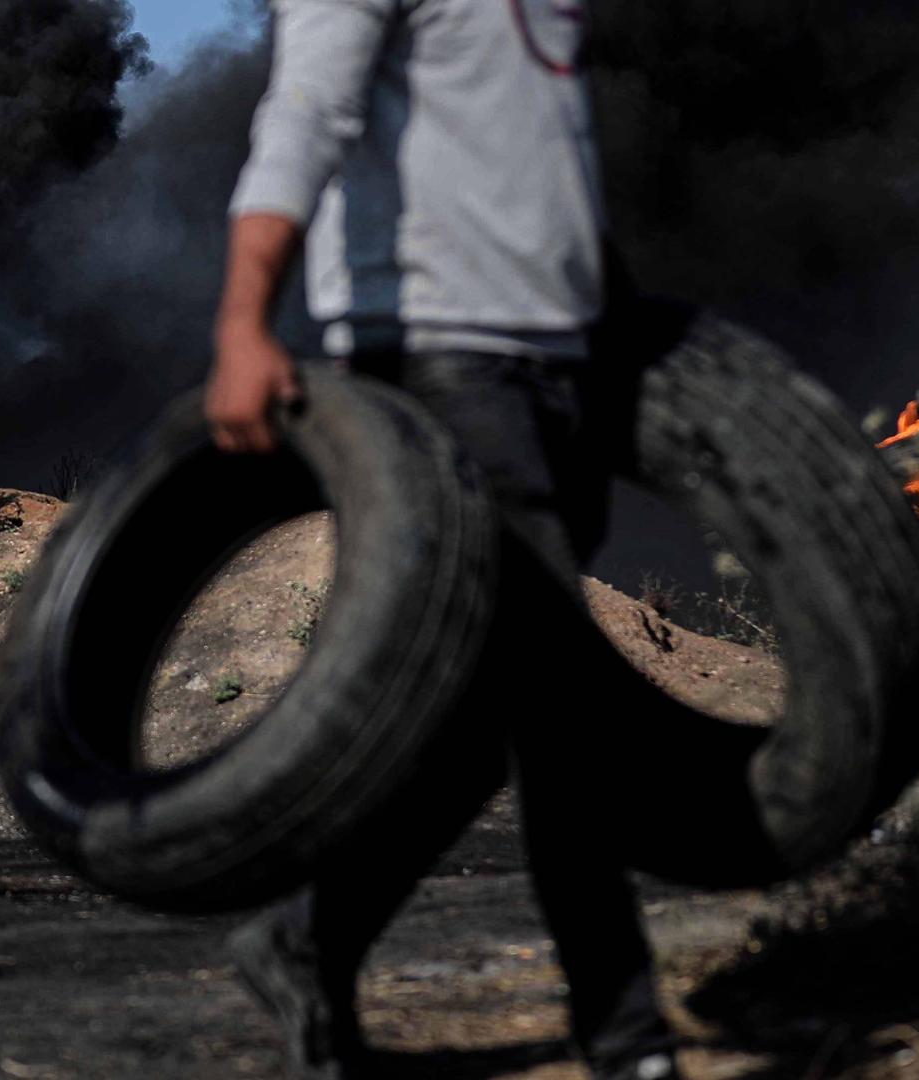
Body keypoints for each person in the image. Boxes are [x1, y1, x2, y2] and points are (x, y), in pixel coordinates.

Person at [205, 3, 683, 1079]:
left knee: (490, 713)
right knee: (566, 697)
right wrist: (243, 325)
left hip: (562, 357)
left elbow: (537, 144)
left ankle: (305, 941)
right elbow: (305, 113)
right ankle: (630, 1038)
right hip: (435, 354)